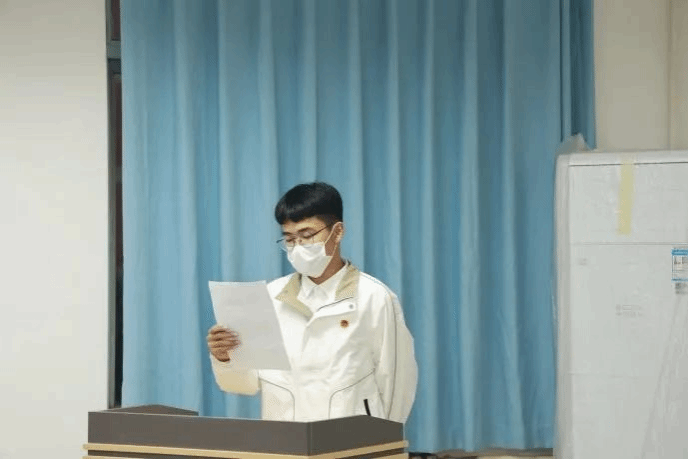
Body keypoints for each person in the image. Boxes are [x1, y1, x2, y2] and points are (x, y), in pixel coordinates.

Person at [206, 182, 417, 423]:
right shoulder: (270, 297)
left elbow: (397, 382)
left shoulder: (374, 297)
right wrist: (225, 357)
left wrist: (386, 438)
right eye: (289, 239)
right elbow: (245, 384)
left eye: (307, 235)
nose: (298, 247)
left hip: (350, 438)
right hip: (285, 436)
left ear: (337, 232)